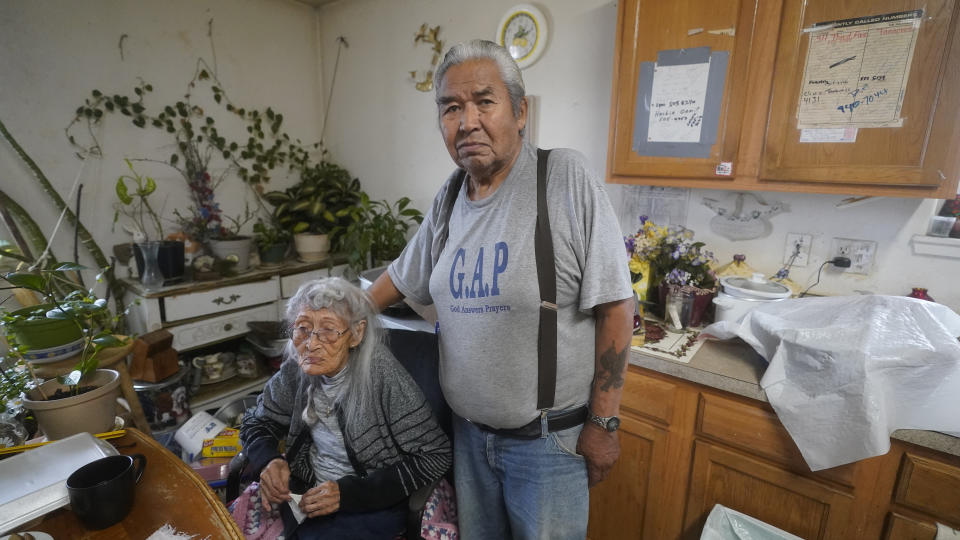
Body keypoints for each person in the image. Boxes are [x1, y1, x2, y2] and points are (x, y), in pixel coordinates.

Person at [368, 39, 634, 539]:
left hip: (547, 446)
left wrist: (604, 424)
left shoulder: (562, 177)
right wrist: (336, 314)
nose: (467, 121)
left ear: (519, 111)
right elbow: (399, 279)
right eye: (451, 107)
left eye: (483, 102)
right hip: (467, 440)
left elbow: (618, 306)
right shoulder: (450, 196)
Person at [236, 277, 452, 539]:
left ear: (356, 334)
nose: (312, 343)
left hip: (372, 498)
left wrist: (348, 494)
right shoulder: (298, 367)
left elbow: (435, 455)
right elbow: (257, 421)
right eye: (303, 328)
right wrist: (268, 461)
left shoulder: (382, 376)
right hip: (307, 489)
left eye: (328, 330)